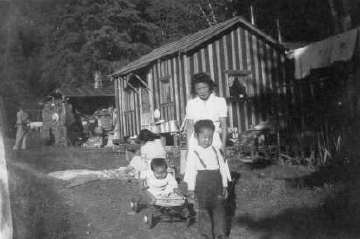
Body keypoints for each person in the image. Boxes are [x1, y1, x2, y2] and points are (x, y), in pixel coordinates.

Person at [184, 120, 231, 239]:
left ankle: (220, 234)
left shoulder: (216, 150)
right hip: (201, 186)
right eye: (204, 137)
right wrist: (190, 188)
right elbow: (190, 172)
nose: (207, 140)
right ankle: (206, 234)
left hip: (216, 185)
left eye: (210, 137)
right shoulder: (193, 153)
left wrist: (224, 186)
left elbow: (222, 170)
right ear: (196, 136)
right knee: (203, 211)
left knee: (219, 210)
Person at [185, 72, 228, 153]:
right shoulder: (191, 104)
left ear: (210, 87)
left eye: (204, 87)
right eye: (199, 89)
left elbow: (224, 126)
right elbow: (190, 128)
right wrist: (189, 148)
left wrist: (223, 145)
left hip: (214, 140)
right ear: (195, 90)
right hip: (196, 141)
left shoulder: (220, 101)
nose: (202, 91)